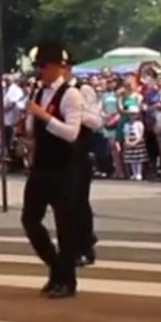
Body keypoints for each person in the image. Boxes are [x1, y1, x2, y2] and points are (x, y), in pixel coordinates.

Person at [21, 43, 84, 300]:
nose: (41, 71)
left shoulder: (71, 94)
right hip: (41, 165)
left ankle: (67, 279)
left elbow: (72, 133)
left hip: (64, 167)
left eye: (45, 66)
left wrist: (44, 117)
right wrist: (27, 127)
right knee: (30, 219)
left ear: (58, 67)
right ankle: (56, 266)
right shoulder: (39, 92)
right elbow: (32, 128)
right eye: (39, 66)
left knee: (65, 225)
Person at [67, 67, 103, 266]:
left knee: (78, 201)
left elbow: (96, 121)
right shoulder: (48, 91)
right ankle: (77, 243)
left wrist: (76, 110)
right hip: (59, 153)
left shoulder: (83, 90)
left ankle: (84, 246)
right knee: (64, 202)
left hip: (79, 152)